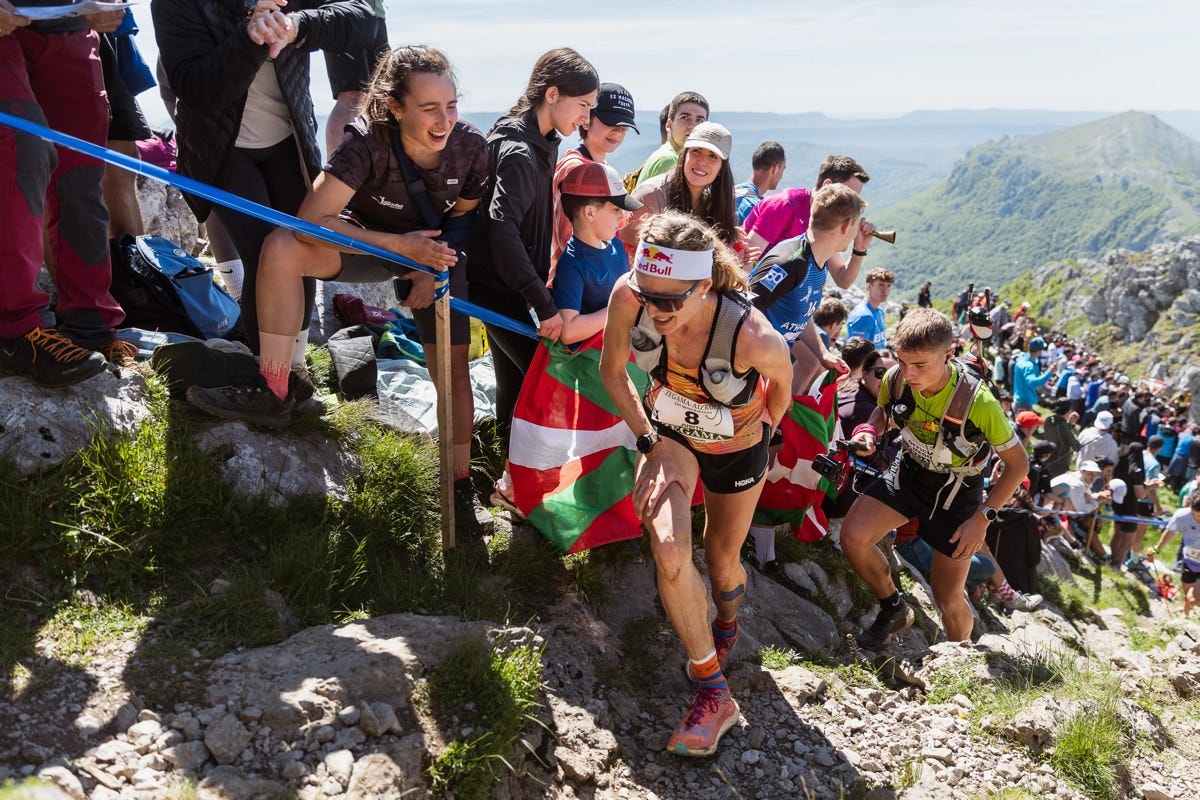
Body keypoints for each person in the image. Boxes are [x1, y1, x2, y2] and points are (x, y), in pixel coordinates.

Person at [185, 46, 489, 532]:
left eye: (450, 105)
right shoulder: (364, 144)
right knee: (281, 246)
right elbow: (309, 224)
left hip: (437, 258)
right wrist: (397, 246)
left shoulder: (471, 146)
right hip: (373, 243)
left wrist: (428, 269)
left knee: (452, 375)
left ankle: (458, 486)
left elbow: (464, 218)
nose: (444, 120)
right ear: (395, 107)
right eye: (429, 108)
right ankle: (277, 388)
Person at [599, 210, 791, 757]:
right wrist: (646, 440)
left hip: (736, 447)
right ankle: (713, 690)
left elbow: (783, 390)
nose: (654, 310)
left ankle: (726, 623)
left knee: (722, 558)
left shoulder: (752, 336)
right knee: (668, 549)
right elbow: (614, 370)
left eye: (670, 301)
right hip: (668, 438)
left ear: (704, 284)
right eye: (646, 293)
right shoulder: (628, 295)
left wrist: (759, 432)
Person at [153, 0, 378, 359]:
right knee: (266, 255)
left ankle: (296, 366)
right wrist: (250, 36)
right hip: (220, 148)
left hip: (288, 139)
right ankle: (270, 373)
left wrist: (295, 27)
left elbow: (364, 20)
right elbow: (197, 91)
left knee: (301, 247)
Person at [841, 308, 1029, 647]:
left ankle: (961, 656)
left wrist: (982, 518)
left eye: (920, 365)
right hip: (909, 471)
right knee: (853, 537)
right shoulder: (896, 377)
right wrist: (871, 430)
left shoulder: (980, 402)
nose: (909, 374)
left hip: (957, 493)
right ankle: (893, 606)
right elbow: (884, 410)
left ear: (949, 354)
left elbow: (1018, 466)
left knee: (947, 599)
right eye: (902, 361)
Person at [466, 47, 599, 440]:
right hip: (496, 287)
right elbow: (501, 226)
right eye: (583, 105)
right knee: (541, 375)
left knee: (514, 378)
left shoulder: (537, 138)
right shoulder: (522, 152)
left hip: (506, 284)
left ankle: (504, 464)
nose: (586, 118)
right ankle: (526, 472)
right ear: (553, 94)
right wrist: (542, 302)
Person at [0, 0, 132, 386]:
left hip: (68, 24)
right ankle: (14, 329)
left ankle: (93, 325)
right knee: (22, 151)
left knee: (82, 176)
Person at [750, 183, 866, 396]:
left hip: (768, 372)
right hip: (751, 375)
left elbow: (802, 311)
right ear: (846, 225)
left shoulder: (817, 260)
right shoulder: (790, 262)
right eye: (856, 225)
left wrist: (822, 354)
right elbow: (744, 309)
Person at [621, 122, 752, 264]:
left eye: (712, 156)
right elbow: (630, 250)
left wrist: (731, 250)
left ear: (721, 168)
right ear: (684, 155)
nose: (702, 161)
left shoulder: (714, 203)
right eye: (696, 151)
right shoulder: (651, 195)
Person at [550, 82, 638, 271]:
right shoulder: (575, 169)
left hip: (597, 276)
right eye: (610, 122)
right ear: (587, 119)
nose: (617, 132)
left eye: (624, 127)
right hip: (574, 279)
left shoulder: (603, 168)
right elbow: (566, 237)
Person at [552, 161, 641, 344]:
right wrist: (618, 306)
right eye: (616, 209)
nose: (622, 216)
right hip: (589, 365)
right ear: (590, 213)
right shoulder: (572, 265)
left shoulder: (616, 245)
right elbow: (568, 331)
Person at [743, 155, 876, 268]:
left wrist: (859, 248)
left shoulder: (829, 218)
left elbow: (842, 279)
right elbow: (746, 261)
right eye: (848, 194)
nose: (852, 204)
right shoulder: (785, 204)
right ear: (827, 185)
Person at [322, 0, 389, 156]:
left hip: (375, 10)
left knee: (382, 96)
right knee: (351, 95)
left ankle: (374, 167)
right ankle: (339, 169)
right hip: (342, 9)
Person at [631, 91, 708, 188]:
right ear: (669, 125)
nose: (692, 126)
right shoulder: (669, 160)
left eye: (700, 120)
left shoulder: (669, 155)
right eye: (685, 118)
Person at [1148, 492, 1200, 617]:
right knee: (1188, 598)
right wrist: (1157, 549)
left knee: (1194, 598)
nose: (1198, 519)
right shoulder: (1182, 515)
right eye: (1195, 515)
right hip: (1189, 562)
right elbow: (1171, 532)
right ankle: (1186, 620)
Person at [734, 141, 785, 224]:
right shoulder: (756, 208)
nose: (782, 176)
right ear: (776, 168)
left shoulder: (733, 191)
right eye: (783, 169)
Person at [845, 268, 894, 350]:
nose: (885, 290)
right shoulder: (864, 316)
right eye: (881, 285)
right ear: (868, 286)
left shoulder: (880, 311)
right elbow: (857, 354)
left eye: (888, 286)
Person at [1011, 336, 1053, 414]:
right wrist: (1049, 372)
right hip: (1023, 404)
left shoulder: (1023, 358)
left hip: (1020, 400)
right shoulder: (1028, 365)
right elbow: (1033, 382)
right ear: (1039, 351)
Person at [1042, 399, 1080, 477]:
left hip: (1047, 459)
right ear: (1068, 411)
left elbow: (1061, 430)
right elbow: (1076, 446)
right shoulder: (1063, 426)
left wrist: (1070, 424)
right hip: (1060, 464)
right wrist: (1072, 426)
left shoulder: (1048, 420)